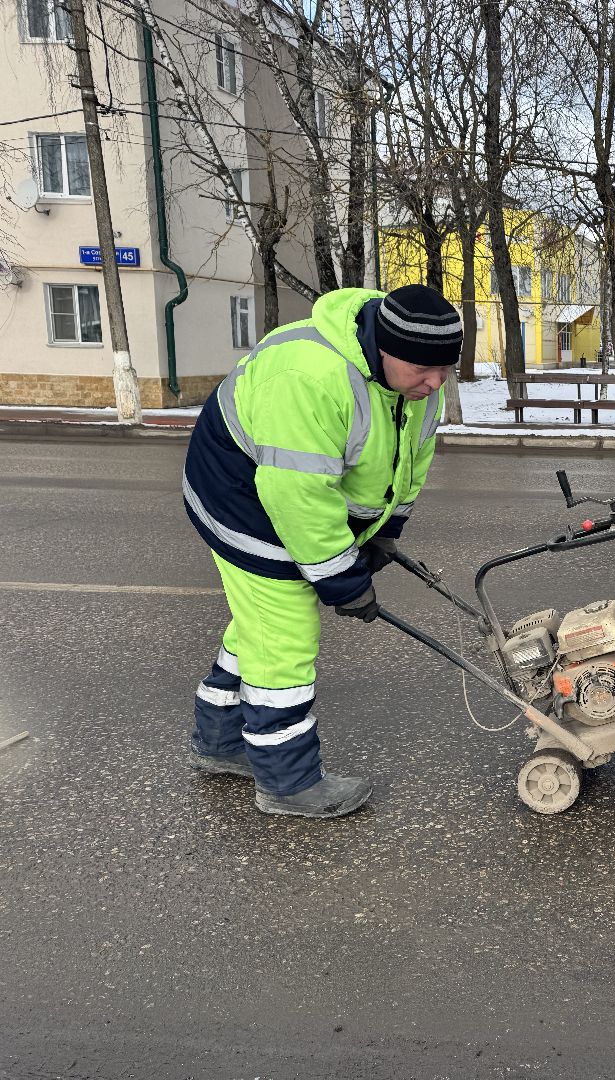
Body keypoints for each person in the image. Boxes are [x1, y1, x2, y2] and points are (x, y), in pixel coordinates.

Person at [183, 285, 461, 818]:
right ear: (384, 347)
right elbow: (298, 495)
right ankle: (287, 784)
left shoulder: (421, 380)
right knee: (284, 635)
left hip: (293, 494)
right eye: (424, 370)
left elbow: (410, 459)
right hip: (243, 497)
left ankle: (220, 742)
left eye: (445, 369)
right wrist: (344, 582)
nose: (436, 383)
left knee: (257, 627)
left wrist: (386, 527)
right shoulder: (309, 376)